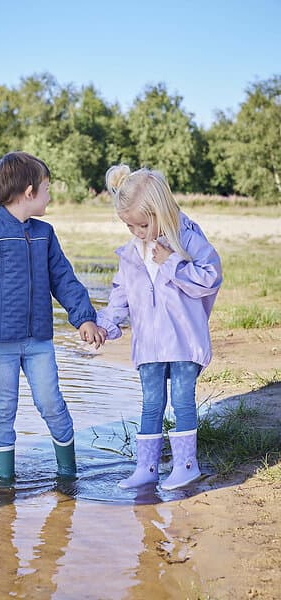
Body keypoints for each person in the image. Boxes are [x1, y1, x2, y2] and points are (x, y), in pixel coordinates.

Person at [0, 151, 104, 482]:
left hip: (38, 341)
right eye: (47, 188)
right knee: (3, 409)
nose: (50, 195)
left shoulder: (45, 234)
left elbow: (64, 279)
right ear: (29, 191)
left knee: (51, 403)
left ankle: (68, 474)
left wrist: (84, 318)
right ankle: (4, 483)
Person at [96, 165, 222, 490]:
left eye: (142, 223)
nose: (137, 231)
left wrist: (172, 262)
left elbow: (210, 278)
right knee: (151, 403)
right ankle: (146, 468)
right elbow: (121, 293)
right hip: (149, 345)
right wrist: (106, 325)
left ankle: (186, 465)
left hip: (182, 340)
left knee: (182, 399)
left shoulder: (187, 240)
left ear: (161, 211)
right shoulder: (130, 253)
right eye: (129, 225)